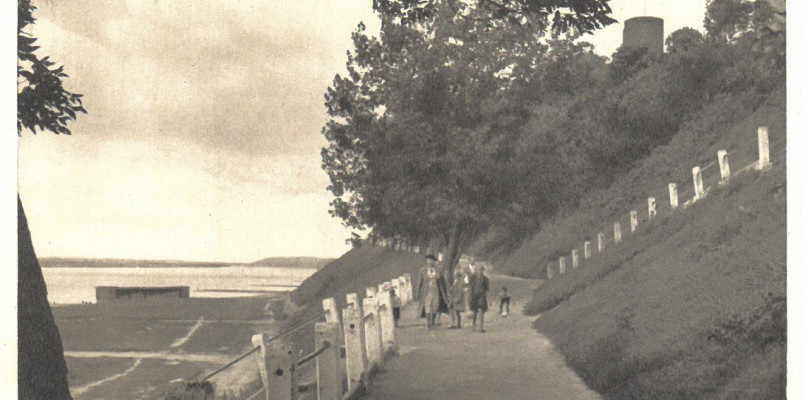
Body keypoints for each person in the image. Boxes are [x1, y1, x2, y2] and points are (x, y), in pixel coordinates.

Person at [415, 255, 448, 329]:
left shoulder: (438, 270)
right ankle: (428, 323)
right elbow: (419, 282)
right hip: (426, 291)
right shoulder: (422, 270)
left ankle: (432, 321)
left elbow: (443, 281)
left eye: (430, 260)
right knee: (427, 305)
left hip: (436, 290)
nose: (429, 262)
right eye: (428, 260)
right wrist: (417, 292)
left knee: (435, 306)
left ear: (434, 261)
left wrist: (445, 291)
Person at [468, 264, 489, 333]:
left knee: (481, 311)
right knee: (475, 312)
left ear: (482, 271)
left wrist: (488, 299)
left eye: (480, 270)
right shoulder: (472, 278)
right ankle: (474, 325)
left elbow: (487, 290)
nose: (479, 271)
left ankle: (480, 327)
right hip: (474, 295)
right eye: (477, 269)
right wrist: (469, 297)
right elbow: (470, 288)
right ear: (475, 270)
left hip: (482, 296)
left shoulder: (485, 279)